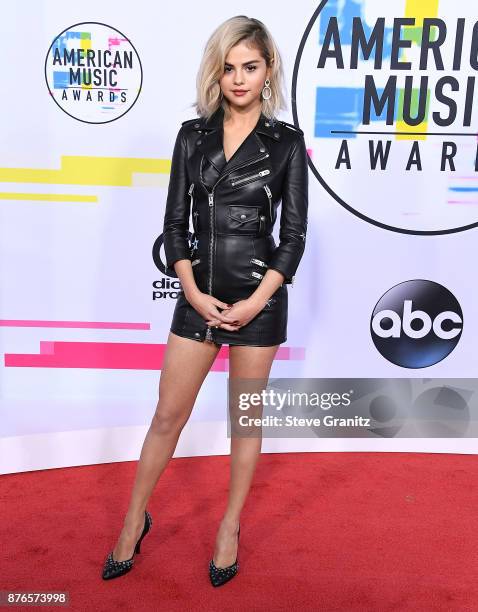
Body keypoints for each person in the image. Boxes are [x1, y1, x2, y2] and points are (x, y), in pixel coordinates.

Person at [102, 15, 309, 586]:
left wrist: (255, 300)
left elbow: (293, 236)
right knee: (169, 412)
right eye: (228, 67)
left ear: (268, 73)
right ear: (215, 72)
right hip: (199, 296)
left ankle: (230, 527)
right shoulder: (191, 136)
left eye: (251, 66)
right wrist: (192, 290)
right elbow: (174, 226)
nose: (239, 78)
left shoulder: (286, 143)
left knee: (245, 421)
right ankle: (132, 519)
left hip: (259, 301)